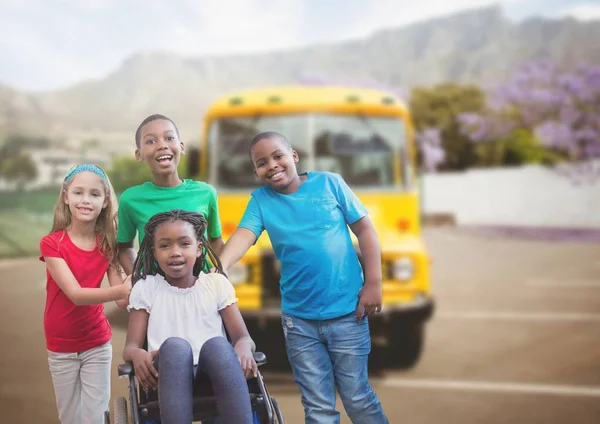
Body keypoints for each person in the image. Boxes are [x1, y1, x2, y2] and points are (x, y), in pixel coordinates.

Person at [218, 131, 389, 423]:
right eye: (261, 162)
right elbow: (244, 236)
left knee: (357, 397)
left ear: (294, 156)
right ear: (256, 171)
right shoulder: (261, 200)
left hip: (348, 314)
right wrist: (220, 266)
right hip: (299, 324)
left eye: (278, 156)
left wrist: (373, 283)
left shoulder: (330, 183)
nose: (271, 165)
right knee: (318, 406)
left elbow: (365, 230)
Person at [123, 210, 257, 424]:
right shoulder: (146, 288)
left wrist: (242, 347)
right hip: (165, 373)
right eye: (165, 246)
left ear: (198, 249)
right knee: (176, 347)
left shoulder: (216, 283)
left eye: (184, 244)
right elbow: (130, 347)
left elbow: (243, 337)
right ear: (154, 252)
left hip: (213, 373)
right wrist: (137, 354)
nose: (175, 252)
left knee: (218, 346)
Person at [39, 163, 132, 424]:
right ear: (66, 196)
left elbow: (122, 299)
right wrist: (121, 288)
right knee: (70, 418)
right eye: (78, 193)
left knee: (96, 417)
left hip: (96, 343)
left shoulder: (107, 244)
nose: (85, 200)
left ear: (104, 202)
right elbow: (76, 294)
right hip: (61, 345)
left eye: (94, 194)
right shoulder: (52, 244)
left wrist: (135, 279)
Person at [117, 114, 223, 275]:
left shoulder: (206, 193)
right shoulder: (130, 199)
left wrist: (216, 276)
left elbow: (216, 241)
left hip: (201, 292)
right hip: (154, 296)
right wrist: (138, 280)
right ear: (139, 154)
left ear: (181, 146)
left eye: (169, 138)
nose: (162, 145)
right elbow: (124, 248)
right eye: (151, 141)